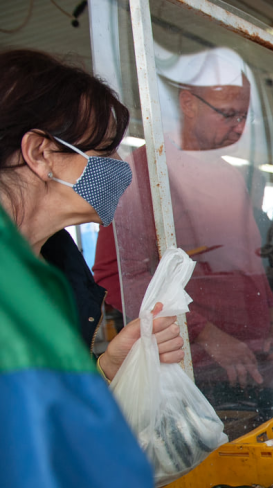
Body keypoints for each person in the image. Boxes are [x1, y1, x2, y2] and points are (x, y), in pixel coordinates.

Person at [0, 50, 160, 488]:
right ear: (39, 151)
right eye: (101, 154)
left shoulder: (53, 270)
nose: (117, 174)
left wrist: (105, 373)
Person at [94, 47, 273, 419]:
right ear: (187, 103)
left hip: (260, 364)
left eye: (246, 116)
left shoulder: (232, 176)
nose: (239, 128)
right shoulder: (144, 174)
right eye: (229, 114)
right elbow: (115, 275)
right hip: (195, 375)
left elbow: (251, 266)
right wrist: (207, 336)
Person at [0, 50, 183, 377]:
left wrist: (108, 367)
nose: (120, 167)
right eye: (104, 151)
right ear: (40, 154)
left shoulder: (56, 264)